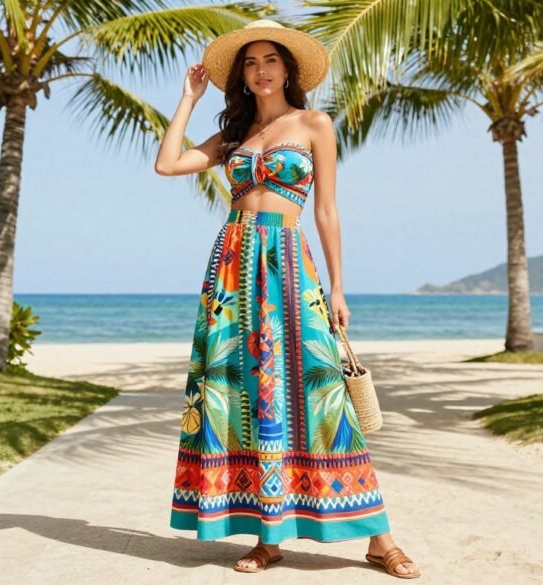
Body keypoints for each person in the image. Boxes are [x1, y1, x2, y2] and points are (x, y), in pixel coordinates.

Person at [153, 19, 419, 580]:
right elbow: (168, 163)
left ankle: (380, 538)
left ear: (289, 69)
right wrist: (188, 99)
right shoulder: (234, 136)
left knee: (322, 396)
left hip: (290, 264)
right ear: (242, 76)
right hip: (232, 268)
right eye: (250, 63)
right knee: (245, 396)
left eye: (270, 60)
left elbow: (326, 210)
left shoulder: (314, 124)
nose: (261, 70)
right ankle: (268, 538)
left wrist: (338, 287)